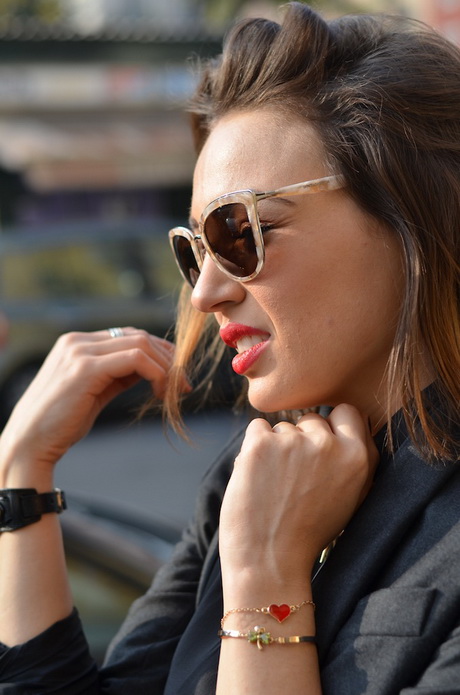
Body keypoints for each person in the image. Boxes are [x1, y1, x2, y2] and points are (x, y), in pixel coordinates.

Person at [0, 2, 459, 693]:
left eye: (240, 231)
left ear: (410, 218)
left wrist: (267, 584)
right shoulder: (251, 478)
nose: (206, 290)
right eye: (193, 248)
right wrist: (21, 481)